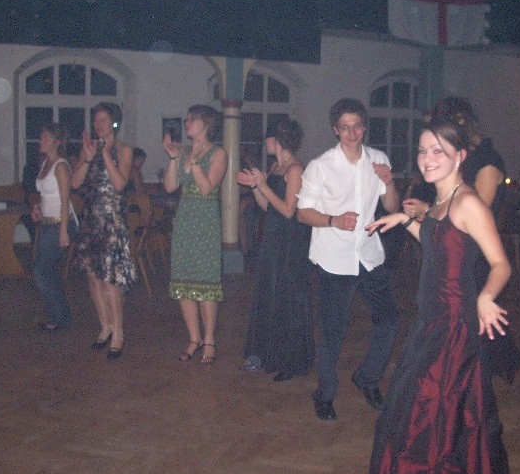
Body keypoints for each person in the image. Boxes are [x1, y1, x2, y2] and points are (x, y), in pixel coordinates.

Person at [364, 113, 513, 474]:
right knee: (415, 420)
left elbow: (501, 263)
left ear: (460, 155)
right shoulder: (440, 202)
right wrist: (408, 221)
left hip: (454, 328)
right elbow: (441, 243)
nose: (427, 159)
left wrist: (486, 296)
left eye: (438, 152)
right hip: (429, 323)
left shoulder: (468, 203)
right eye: (423, 151)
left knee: (429, 425)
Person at [296, 97, 400, 421]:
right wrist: (333, 220)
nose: (352, 133)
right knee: (333, 331)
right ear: (335, 129)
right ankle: (325, 394)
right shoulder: (320, 166)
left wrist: (389, 182)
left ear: (364, 127)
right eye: (345, 127)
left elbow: (392, 207)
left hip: (368, 255)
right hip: (334, 260)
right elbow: (303, 213)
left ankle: (367, 377)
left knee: (389, 320)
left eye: (357, 126)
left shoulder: (379, 159)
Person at [238, 118, 313, 381]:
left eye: (267, 138)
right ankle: (266, 355)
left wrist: (264, 185)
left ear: (276, 139)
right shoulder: (275, 166)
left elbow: (289, 210)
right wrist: (255, 186)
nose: (265, 143)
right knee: (269, 295)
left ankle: (289, 361)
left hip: (290, 241)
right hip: (272, 237)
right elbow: (267, 206)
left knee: (287, 298)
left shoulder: (295, 169)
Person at [163, 104, 227, 365]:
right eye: (187, 119)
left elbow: (206, 188)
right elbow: (170, 187)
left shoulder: (218, 153)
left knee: (205, 283)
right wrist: (172, 158)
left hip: (205, 222)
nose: (187, 122)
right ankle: (193, 338)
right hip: (185, 221)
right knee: (183, 283)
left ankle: (209, 339)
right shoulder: (183, 152)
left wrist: (196, 163)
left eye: (193, 119)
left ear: (207, 124)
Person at [71, 102, 136, 359]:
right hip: (91, 220)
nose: (99, 125)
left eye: (104, 120)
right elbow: (75, 182)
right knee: (93, 278)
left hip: (112, 221)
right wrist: (88, 157)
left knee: (110, 280)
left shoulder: (124, 150)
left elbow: (120, 184)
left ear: (114, 123)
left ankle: (118, 332)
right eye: (96, 120)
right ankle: (105, 326)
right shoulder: (88, 148)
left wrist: (107, 154)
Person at [402, 96, 505, 219]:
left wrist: (427, 209)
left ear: (460, 121)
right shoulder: (459, 159)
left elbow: (474, 217)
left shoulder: (487, 160)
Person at [31, 123, 77, 332]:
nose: (41, 141)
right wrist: (37, 208)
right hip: (48, 223)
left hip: (61, 223)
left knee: (41, 271)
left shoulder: (61, 166)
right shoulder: (45, 164)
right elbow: (46, 195)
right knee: (45, 271)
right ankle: (60, 317)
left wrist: (63, 230)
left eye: (46, 138)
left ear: (57, 143)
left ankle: (59, 318)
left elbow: (65, 200)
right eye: (41, 137)